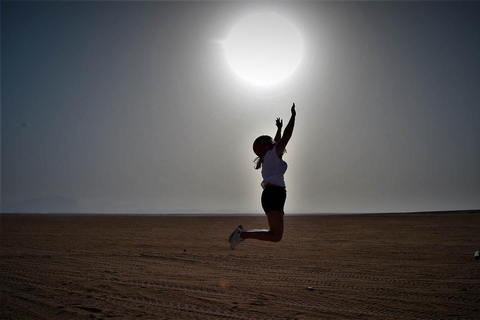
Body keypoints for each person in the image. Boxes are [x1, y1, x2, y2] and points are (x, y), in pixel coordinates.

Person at [229, 103, 296, 250]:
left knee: (275, 235)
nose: (275, 143)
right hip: (273, 195)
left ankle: (242, 234)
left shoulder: (269, 157)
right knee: (276, 236)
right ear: (268, 147)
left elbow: (278, 140)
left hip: (273, 195)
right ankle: (242, 234)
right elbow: (287, 136)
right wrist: (293, 116)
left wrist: (278, 129)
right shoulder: (272, 156)